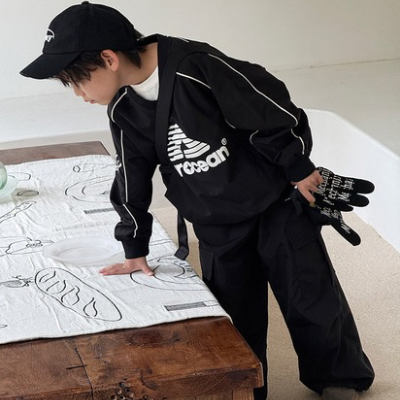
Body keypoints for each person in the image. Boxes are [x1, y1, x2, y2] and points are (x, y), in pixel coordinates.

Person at [20, 3, 375, 399]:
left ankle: (337, 376)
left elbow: (266, 106)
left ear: (109, 59)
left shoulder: (196, 66)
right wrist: (134, 246)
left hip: (275, 202)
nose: (79, 94)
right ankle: (246, 388)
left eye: (77, 81)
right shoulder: (124, 108)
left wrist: (297, 167)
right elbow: (131, 178)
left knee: (309, 294)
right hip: (215, 220)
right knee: (234, 314)